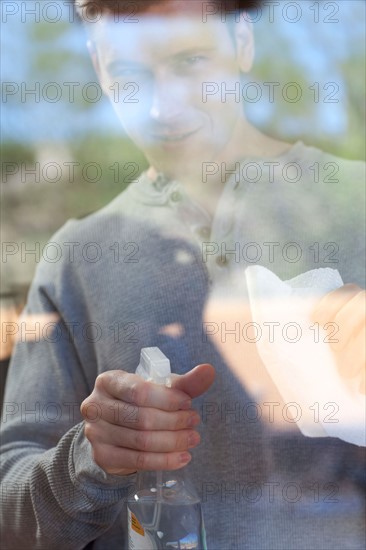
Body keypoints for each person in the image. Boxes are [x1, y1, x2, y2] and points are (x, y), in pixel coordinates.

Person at [1, 1, 365, 549]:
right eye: (128, 75)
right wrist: (90, 460)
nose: (161, 109)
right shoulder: (76, 256)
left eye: (191, 60)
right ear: (98, 65)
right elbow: (11, 516)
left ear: (244, 41)